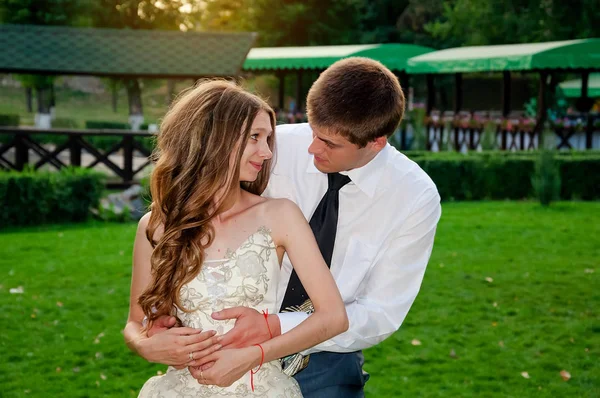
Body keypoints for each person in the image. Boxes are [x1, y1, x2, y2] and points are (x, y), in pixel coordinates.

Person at [152, 57, 441, 397]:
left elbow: (380, 313)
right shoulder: (272, 147)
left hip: (325, 360)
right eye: (312, 130)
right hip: (222, 346)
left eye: (329, 144)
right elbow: (204, 221)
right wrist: (164, 313)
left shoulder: (414, 197)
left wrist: (273, 327)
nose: (311, 147)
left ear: (376, 142)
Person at [124, 80, 348, 397]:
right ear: (212, 140)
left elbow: (334, 318)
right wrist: (147, 346)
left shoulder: (280, 215)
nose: (267, 151)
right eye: (255, 137)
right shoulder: (156, 226)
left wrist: (253, 355)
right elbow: (136, 322)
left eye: (268, 138)